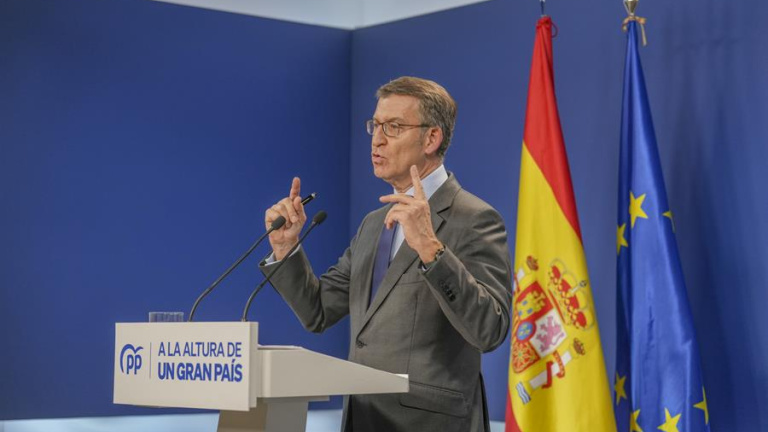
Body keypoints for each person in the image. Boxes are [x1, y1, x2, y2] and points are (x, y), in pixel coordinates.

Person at [262, 76, 512, 432]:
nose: (377, 139)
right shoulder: (373, 224)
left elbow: (490, 330)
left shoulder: (474, 218)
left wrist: (431, 250)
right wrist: (286, 248)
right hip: (363, 418)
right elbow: (318, 311)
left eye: (393, 127)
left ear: (431, 138)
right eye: (375, 125)